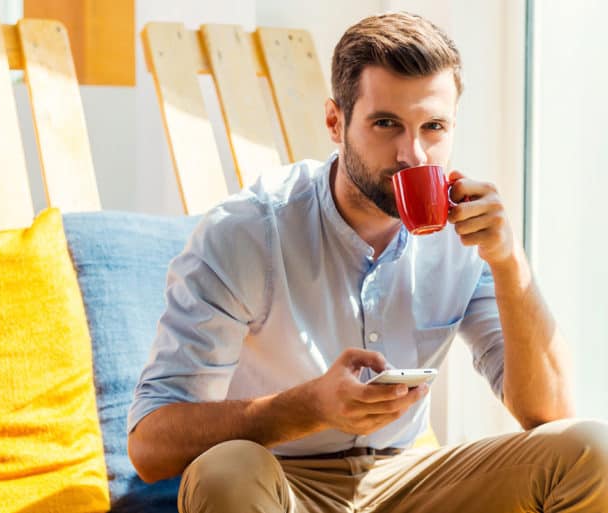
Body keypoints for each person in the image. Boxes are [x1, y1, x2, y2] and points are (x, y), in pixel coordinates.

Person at [127, 11, 608, 513]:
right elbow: (150, 446)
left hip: (407, 478)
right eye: (386, 124)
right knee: (224, 474)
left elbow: (548, 414)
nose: (413, 154)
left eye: (434, 127)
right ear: (336, 122)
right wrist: (307, 407)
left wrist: (509, 263)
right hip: (280, 482)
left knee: (592, 452)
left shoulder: (464, 235)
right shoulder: (246, 233)